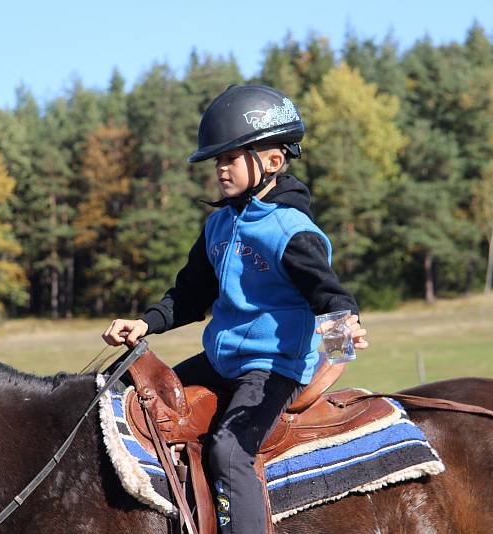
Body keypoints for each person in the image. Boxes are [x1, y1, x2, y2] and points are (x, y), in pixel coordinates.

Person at [103, 84, 368, 533]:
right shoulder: (219, 225)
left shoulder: (291, 230)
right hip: (221, 360)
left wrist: (341, 349)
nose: (221, 169)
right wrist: (145, 322)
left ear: (272, 162)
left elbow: (330, 297)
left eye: (231, 158)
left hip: (273, 367)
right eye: (217, 161)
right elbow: (188, 296)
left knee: (228, 450)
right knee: (121, 392)